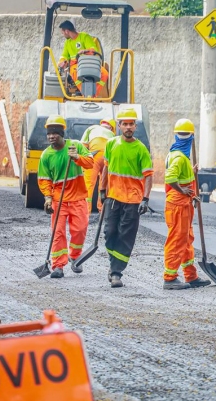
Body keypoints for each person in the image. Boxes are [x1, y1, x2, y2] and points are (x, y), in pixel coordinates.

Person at [99, 109, 153, 288]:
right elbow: (106, 168)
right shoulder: (111, 144)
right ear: (119, 126)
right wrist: (102, 189)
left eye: (131, 124)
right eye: (125, 124)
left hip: (133, 200)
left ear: (135, 126)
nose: (128, 127)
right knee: (109, 233)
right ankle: (114, 263)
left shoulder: (141, 149)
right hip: (113, 197)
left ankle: (116, 272)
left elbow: (148, 175)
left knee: (125, 236)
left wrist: (145, 199)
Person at [37, 114, 94, 278]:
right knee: (58, 232)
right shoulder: (46, 156)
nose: (51, 136)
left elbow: (90, 163)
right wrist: (48, 198)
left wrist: (77, 158)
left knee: (80, 230)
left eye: (55, 132)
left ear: (62, 133)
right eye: (49, 133)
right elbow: (44, 179)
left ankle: (75, 257)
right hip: (58, 199)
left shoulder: (75, 146)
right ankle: (58, 266)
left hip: (78, 198)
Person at [162, 119, 211, 290]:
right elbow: (170, 177)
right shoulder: (180, 158)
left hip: (182, 204)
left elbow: (180, 175)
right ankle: (169, 278)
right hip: (178, 205)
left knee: (186, 240)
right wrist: (183, 190)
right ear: (191, 138)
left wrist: (192, 171)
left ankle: (191, 276)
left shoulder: (174, 154)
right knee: (177, 240)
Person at [57, 20, 109, 98]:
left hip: (90, 64)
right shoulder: (68, 43)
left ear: (67, 31)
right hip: (76, 66)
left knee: (104, 74)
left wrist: (85, 51)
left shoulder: (85, 37)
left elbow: (93, 49)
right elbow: (64, 56)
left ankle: (93, 95)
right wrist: (62, 62)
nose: (63, 34)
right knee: (75, 73)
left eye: (63, 32)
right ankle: (84, 94)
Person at [82, 118, 115, 211]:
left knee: (89, 184)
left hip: (94, 156)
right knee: (103, 183)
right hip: (107, 157)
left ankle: (86, 211)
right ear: (112, 128)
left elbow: (83, 146)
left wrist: (83, 160)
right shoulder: (112, 135)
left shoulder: (91, 128)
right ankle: (102, 209)